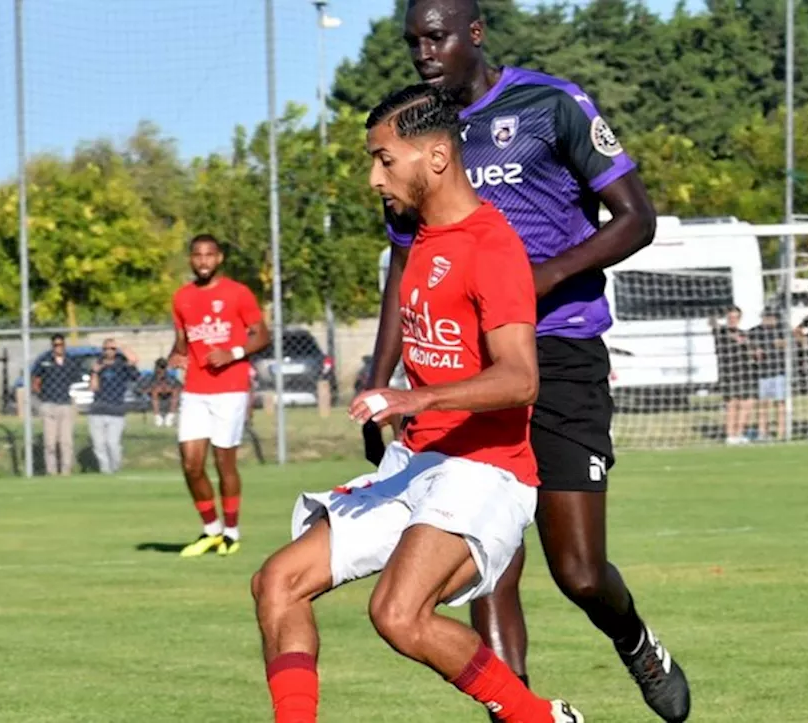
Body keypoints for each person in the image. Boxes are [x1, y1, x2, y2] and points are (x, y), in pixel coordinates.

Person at [363, 2, 690, 721]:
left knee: (577, 571)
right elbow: (402, 264)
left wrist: (536, 280)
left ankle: (636, 640)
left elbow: (636, 217)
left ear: (474, 34)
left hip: (559, 349)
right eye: (413, 40)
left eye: (437, 36)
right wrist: (377, 374)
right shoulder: (416, 137)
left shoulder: (550, 104)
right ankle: (517, 713)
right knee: (490, 570)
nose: (423, 51)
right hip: (464, 369)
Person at [253, 84, 581, 723]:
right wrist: (394, 400)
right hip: (417, 463)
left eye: (384, 158)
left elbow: (520, 380)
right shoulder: (420, 238)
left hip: (490, 471)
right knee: (277, 583)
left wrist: (412, 393)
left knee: (398, 614)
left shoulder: (492, 247)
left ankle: (538, 718)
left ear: (435, 157)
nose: (375, 177)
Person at [168, 233, 271, 558]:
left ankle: (231, 532)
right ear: (190, 259)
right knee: (190, 464)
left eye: (209, 255)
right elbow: (182, 340)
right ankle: (210, 529)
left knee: (223, 462)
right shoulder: (181, 297)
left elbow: (262, 335)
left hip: (230, 389)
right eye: (197, 255)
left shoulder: (237, 293)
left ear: (219, 258)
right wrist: (176, 355)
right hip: (195, 390)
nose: (203, 261)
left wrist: (234, 352)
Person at [32, 333, 83, 476]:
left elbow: (77, 378)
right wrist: (41, 396)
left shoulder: (70, 361)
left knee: (65, 441)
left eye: (61, 345)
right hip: (49, 403)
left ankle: (66, 470)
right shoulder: (44, 360)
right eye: (55, 345)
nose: (58, 348)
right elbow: (35, 380)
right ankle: (51, 471)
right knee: (50, 442)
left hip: (65, 403)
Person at [88, 338, 139, 474]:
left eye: (112, 349)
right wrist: (95, 372)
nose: (109, 351)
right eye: (106, 349)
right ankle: (105, 470)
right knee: (99, 445)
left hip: (116, 410)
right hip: (98, 410)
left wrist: (122, 347)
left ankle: (115, 468)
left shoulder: (122, 365)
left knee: (112, 444)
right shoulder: (98, 364)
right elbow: (93, 388)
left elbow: (134, 360)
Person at [711, 306, 757, 444]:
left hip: (745, 371)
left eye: (735, 318)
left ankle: (740, 432)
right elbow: (713, 324)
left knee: (747, 403)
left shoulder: (744, 334)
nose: (733, 320)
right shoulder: (721, 332)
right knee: (732, 403)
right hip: (729, 372)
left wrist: (753, 351)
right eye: (730, 317)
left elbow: (752, 351)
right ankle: (730, 435)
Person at [750, 308, 788, 440]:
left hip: (779, 372)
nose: (770, 320)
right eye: (767, 317)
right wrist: (755, 350)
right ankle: (762, 432)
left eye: (772, 318)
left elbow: (787, 343)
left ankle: (781, 433)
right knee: (763, 404)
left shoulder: (781, 330)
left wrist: (780, 344)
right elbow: (752, 347)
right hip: (763, 373)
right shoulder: (756, 332)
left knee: (780, 402)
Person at [148, 357, 181, 427]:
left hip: (169, 396)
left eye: (163, 367)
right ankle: (158, 417)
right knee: (155, 391)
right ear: (156, 367)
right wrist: (153, 388)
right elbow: (141, 388)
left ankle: (170, 417)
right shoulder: (150, 377)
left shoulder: (170, 377)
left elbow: (179, 386)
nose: (161, 369)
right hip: (154, 397)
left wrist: (169, 389)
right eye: (160, 367)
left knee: (175, 391)